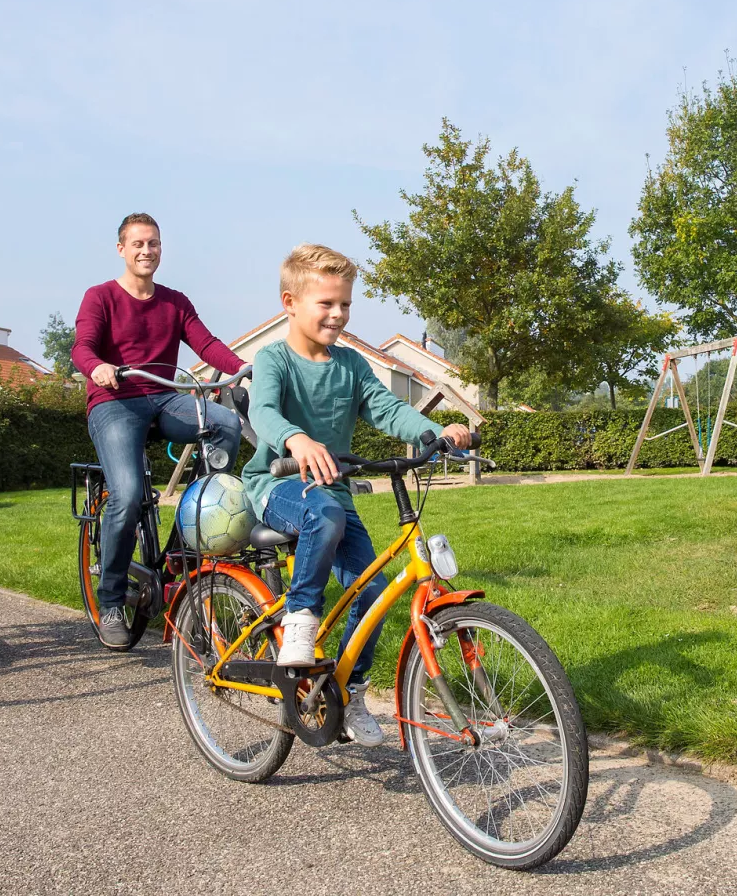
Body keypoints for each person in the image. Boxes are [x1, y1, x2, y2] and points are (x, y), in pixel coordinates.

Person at [242, 244, 472, 747]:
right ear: (290, 303)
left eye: (345, 304)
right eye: (326, 303)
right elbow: (261, 412)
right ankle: (302, 619)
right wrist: (296, 440)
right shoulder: (273, 359)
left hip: (332, 492)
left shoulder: (350, 365)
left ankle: (349, 692)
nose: (338, 314)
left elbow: (388, 409)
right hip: (277, 484)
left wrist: (436, 433)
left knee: (371, 592)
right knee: (322, 511)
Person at [72, 212, 246, 651]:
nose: (146, 251)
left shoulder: (174, 301)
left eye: (153, 244)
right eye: (138, 244)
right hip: (115, 402)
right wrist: (98, 368)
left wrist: (243, 367)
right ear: (121, 250)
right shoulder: (101, 297)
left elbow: (205, 344)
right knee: (127, 495)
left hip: (166, 398)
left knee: (223, 422)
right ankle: (111, 600)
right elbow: (83, 346)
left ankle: (182, 542)